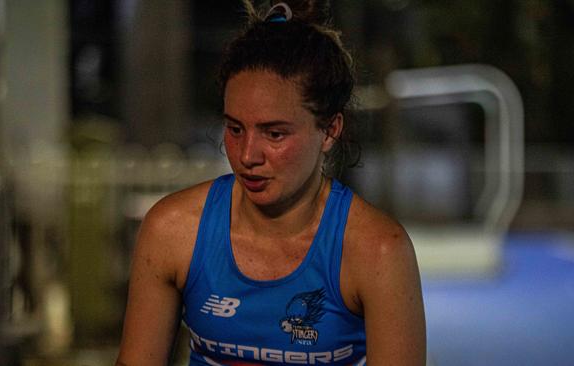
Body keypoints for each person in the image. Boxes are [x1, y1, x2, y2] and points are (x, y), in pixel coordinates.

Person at [116, 1, 425, 365]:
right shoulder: (172, 231)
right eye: (234, 129)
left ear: (329, 130)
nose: (247, 155)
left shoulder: (377, 252)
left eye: (274, 134)